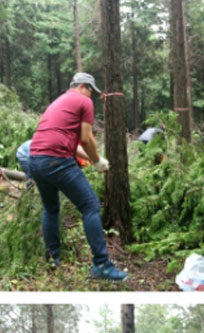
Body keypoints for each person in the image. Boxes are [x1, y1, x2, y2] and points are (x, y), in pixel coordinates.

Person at [28, 72, 127, 281]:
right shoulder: (83, 101)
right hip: (56, 160)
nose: (91, 97)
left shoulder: (59, 102)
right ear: (83, 86)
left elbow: (68, 144)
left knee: (51, 208)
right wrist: (98, 161)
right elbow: (86, 138)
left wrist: (94, 159)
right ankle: (101, 265)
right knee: (90, 206)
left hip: (36, 159)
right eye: (91, 91)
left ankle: (52, 258)